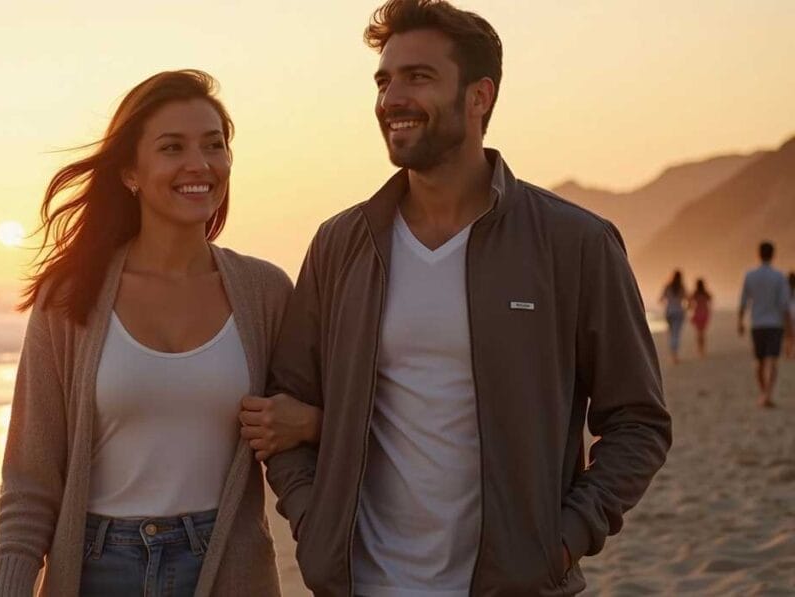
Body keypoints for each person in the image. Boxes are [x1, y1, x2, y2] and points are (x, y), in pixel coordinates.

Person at [253, 2, 671, 595]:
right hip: (365, 583)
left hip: (515, 584)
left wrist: (563, 540)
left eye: (417, 77)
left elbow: (639, 420)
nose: (391, 97)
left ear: (479, 97)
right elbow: (284, 405)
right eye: (384, 80)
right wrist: (314, 523)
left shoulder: (574, 243)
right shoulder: (342, 244)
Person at [0, 70, 315, 597]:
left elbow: (302, 436)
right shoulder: (71, 296)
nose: (200, 164)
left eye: (215, 146)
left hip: (226, 565)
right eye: (172, 147)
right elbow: (30, 480)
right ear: (130, 172)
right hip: (97, 568)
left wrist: (313, 423)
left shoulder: (266, 292)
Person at [738, 241, 791, 408]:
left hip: (757, 324)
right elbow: (784, 305)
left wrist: (740, 322)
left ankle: (763, 392)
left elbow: (743, 301)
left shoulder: (750, 275)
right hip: (775, 324)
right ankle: (767, 393)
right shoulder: (780, 276)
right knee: (772, 360)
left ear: (759, 254)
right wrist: (790, 328)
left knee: (759, 362)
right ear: (773, 254)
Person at [661, 270, 687, 364]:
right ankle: (675, 355)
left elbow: (661, 299)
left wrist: (669, 302)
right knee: (676, 333)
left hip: (669, 312)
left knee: (672, 333)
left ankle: (673, 355)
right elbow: (686, 299)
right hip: (679, 312)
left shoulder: (668, 286)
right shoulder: (681, 287)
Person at [689, 278, 713, 358]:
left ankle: (699, 349)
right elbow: (710, 299)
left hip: (697, 313)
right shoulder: (705, 293)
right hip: (705, 313)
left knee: (699, 333)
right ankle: (702, 349)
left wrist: (691, 307)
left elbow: (690, 303)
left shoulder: (695, 293)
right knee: (702, 333)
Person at [786, 272, 795, 359]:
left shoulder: (785, 290)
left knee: (789, 335)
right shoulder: (787, 291)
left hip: (788, 314)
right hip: (791, 314)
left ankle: (789, 351)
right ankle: (790, 351)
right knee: (791, 335)